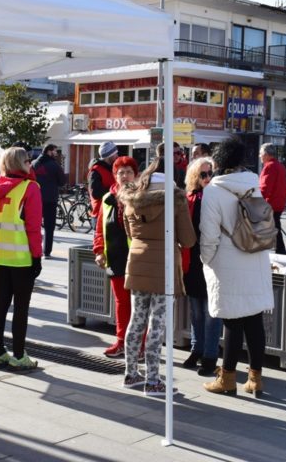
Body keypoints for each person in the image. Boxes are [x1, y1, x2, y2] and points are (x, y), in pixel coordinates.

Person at [200, 137, 274, 397]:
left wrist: (206, 260)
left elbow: (208, 235)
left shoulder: (213, 190)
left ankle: (228, 378)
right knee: (254, 320)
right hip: (256, 257)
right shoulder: (254, 185)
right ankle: (255, 379)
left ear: (218, 162)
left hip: (228, 261)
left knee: (232, 321)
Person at [118, 158, 196, 396]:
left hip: (138, 264)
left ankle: (131, 374)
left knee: (136, 320)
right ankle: (153, 381)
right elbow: (188, 240)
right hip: (164, 268)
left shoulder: (132, 199)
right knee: (157, 324)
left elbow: (129, 231)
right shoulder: (175, 201)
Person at [0, 147, 43, 371]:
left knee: (1, 304)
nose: (31, 163)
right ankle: (19, 356)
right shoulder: (30, 188)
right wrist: (37, 257)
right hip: (21, 258)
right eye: (28, 160)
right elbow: (33, 227)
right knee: (21, 308)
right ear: (21, 163)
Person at [93, 156, 139, 358]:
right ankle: (121, 342)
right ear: (115, 176)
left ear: (136, 175)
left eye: (129, 171)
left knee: (139, 305)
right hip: (115, 257)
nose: (125, 175)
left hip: (138, 259)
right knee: (122, 303)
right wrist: (99, 251)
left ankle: (140, 345)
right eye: (121, 172)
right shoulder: (107, 199)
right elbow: (99, 230)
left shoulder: (142, 196)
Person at [181, 156, 222, 377]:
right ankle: (197, 349)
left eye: (210, 173)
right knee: (196, 310)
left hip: (213, 260)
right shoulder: (189, 198)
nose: (208, 178)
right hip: (192, 260)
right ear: (195, 176)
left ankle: (210, 355)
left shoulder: (217, 197)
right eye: (203, 174)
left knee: (211, 311)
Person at [32, 144, 66, 259]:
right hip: (50, 199)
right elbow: (62, 181)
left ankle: (32, 248)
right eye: (55, 151)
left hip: (35, 198)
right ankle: (46, 251)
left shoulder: (34, 163)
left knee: (33, 225)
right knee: (49, 226)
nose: (56, 154)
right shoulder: (54, 165)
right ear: (49, 152)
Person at [259, 143, 286, 255]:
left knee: (266, 229)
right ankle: (279, 252)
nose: (260, 156)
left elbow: (264, 188)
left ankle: (278, 253)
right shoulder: (280, 166)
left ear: (266, 154)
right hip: (279, 203)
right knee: (275, 229)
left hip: (270, 204)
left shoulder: (269, 166)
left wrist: (254, 200)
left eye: (260, 153)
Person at [87, 141, 118, 218]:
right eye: (115, 154)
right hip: (100, 214)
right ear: (109, 155)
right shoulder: (95, 171)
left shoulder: (111, 169)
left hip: (109, 211)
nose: (117, 156)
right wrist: (115, 189)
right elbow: (96, 193)